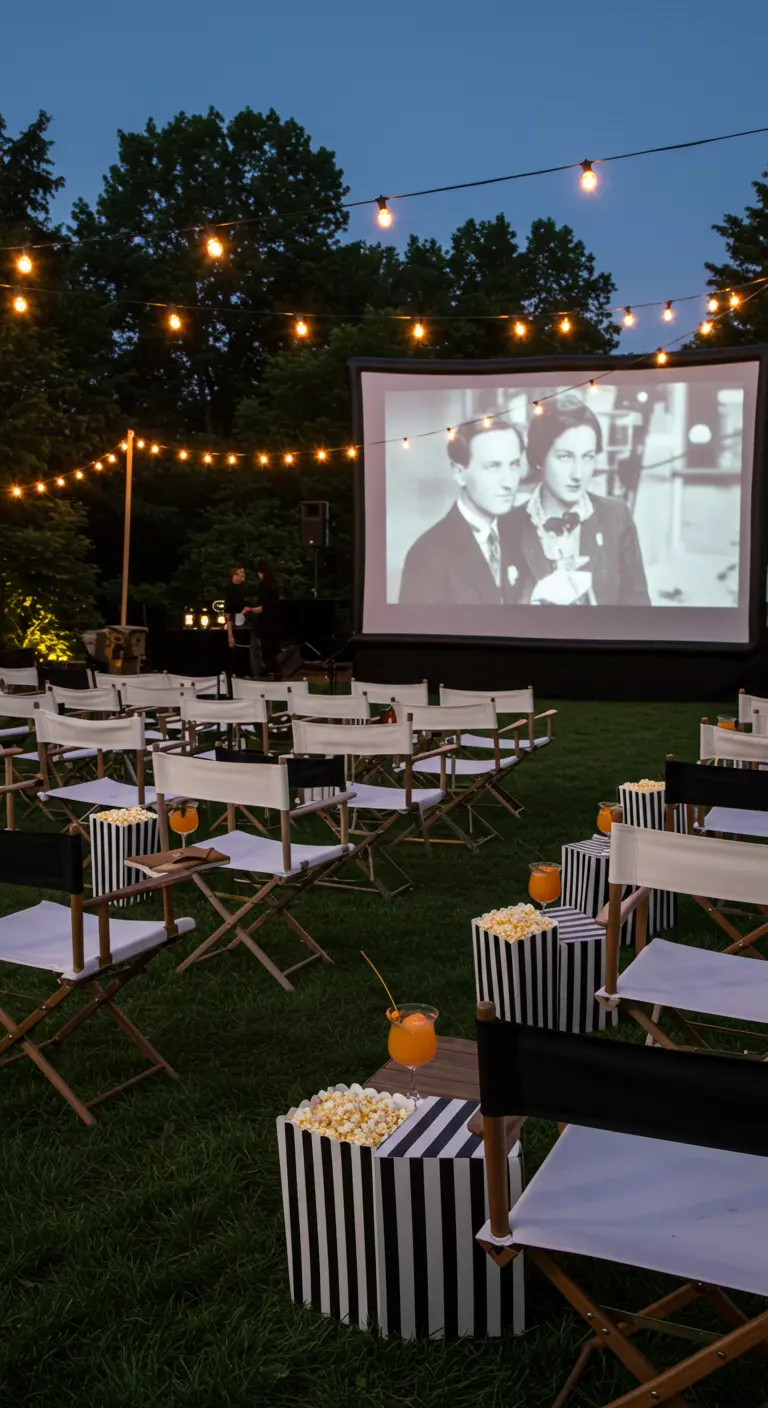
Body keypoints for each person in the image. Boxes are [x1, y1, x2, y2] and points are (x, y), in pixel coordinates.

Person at [500, 393, 650, 607]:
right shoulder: (506, 527)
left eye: (588, 457)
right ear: (539, 458)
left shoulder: (617, 517)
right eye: (565, 457)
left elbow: (640, 612)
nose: (578, 474)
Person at [398, 415, 525, 605]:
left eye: (514, 465)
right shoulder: (427, 556)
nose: (509, 482)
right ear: (459, 474)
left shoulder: (520, 534)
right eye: (493, 467)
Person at [223, 565, 262, 677]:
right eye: (241, 573)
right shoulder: (230, 590)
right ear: (234, 576)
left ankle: (250, 671)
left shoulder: (245, 588)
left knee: (250, 648)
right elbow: (228, 613)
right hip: (237, 622)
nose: (243, 576)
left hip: (247, 622)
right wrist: (230, 635)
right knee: (239, 649)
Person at [249, 560, 282, 678]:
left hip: (264, 622)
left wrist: (255, 609)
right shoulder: (275, 584)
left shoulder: (264, 585)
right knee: (273, 649)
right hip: (274, 622)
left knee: (259, 648)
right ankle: (274, 671)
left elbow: (264, 606)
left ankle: (260, 672)